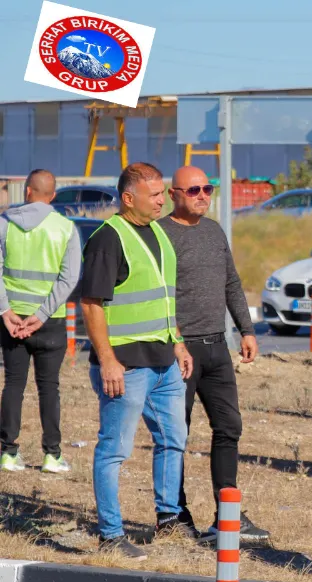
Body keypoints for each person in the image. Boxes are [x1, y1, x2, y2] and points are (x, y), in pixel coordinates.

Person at [80, 162, 195, 560]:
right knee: (114, 449)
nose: (163, 200)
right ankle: (111, 535)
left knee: (173, 439)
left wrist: (178, 342)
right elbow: (91, 304)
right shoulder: (108, 239)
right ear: (129, 198)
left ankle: (168, 518)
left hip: (164, 362)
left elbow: (163, 297)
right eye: (155, 194)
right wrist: (107, 360)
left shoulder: (158, 232)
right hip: (126, 366)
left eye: (163, 193)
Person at [159, 166, 269, 545]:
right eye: (194, 190)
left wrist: (247, 330)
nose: (203, 195)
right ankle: (174, 515)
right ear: (174, 194)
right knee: (177, 434)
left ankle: (227, 515)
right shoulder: (160, 234)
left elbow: (232, 283)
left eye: (207, 188)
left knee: (229, 427)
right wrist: (174, 341)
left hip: (217, 347)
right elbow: (158, 295)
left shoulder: (214, 231)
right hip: (180, 349)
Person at [0, 169, 81, 474]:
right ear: (53, 195)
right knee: (49, 387)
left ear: (27, 191)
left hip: (12, 321)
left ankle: (8, 453)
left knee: (13, 384)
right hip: (50, 322)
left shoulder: (5, 223)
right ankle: (52, 455)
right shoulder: (66, 228)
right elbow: (69, 278)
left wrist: (5, 311)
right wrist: (42, 314)